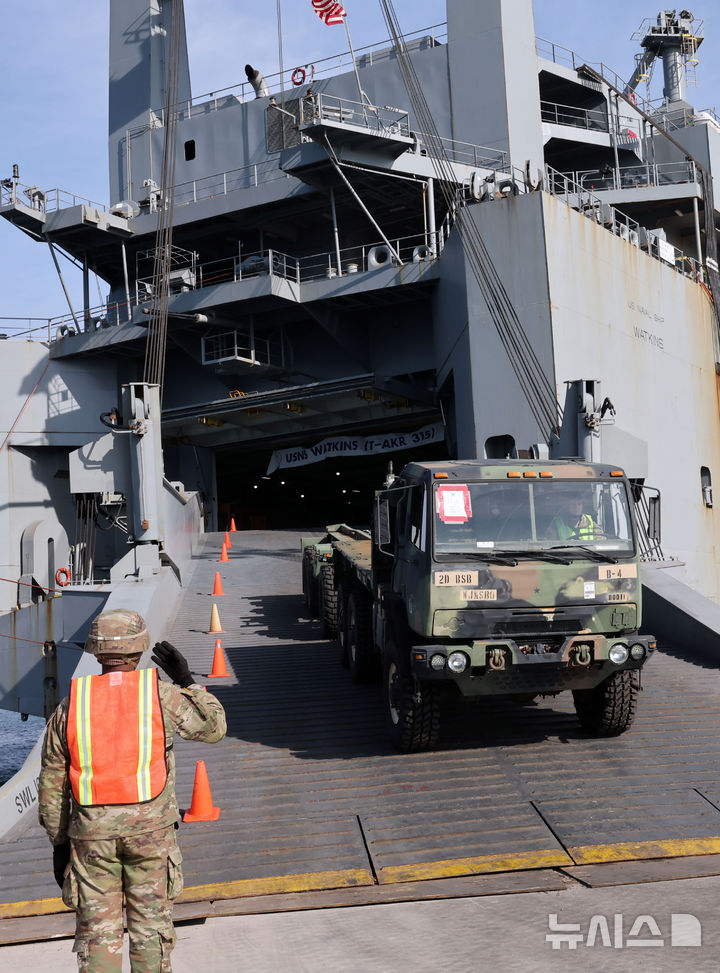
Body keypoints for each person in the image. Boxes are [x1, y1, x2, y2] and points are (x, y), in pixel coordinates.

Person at [38, 608, 227, 973]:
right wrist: (186, 680)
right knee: (151, 930)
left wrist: (59, 844)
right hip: (151, 834)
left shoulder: (71, 704)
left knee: (98, 935)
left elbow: (52, 784)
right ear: (140, 648)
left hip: (91, 837)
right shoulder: (160, 695)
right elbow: (214, 727)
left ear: (96, 650)